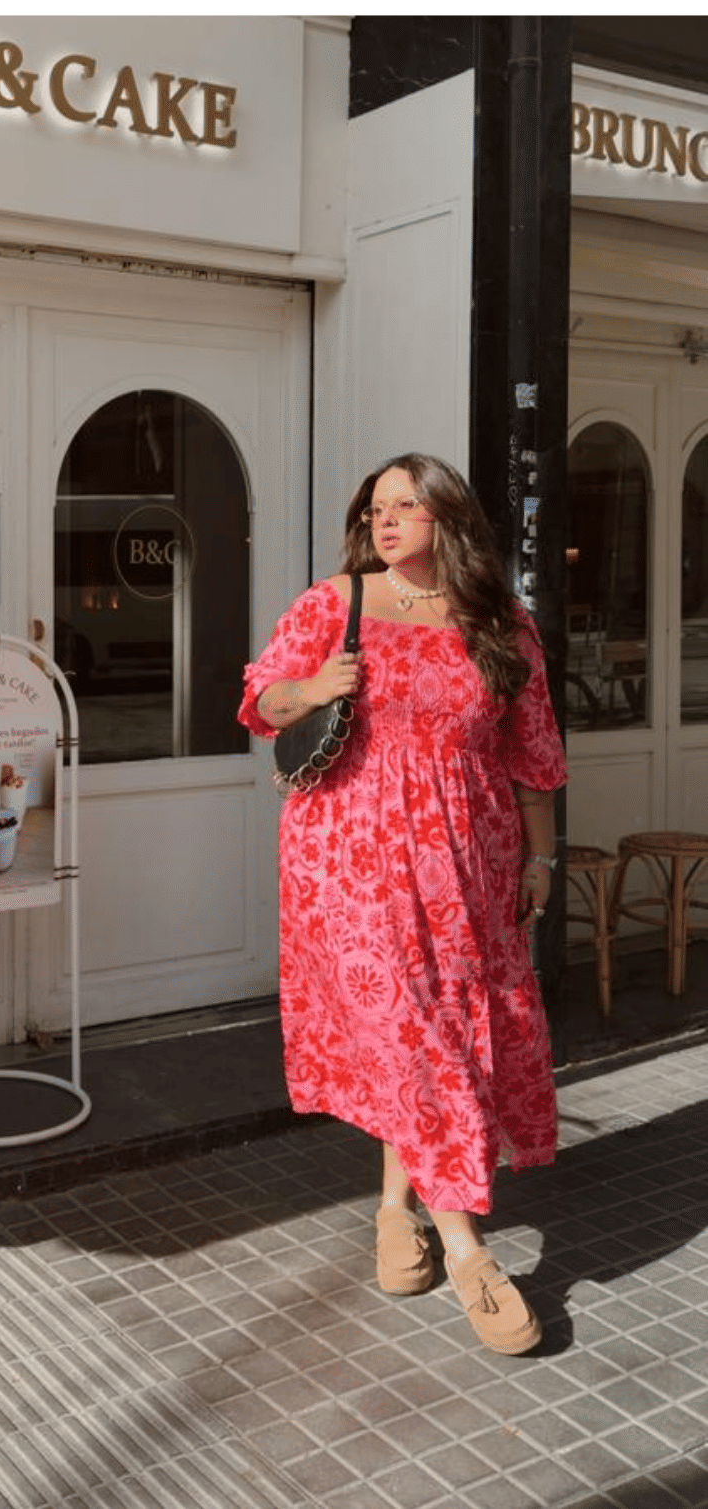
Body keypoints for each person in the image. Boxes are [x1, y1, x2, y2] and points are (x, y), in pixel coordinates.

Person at [238, 453, 566, 1356]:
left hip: (471, 861)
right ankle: (467, 1251)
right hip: (351, 861)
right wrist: (314, 687)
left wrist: (541, 855)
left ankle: (393, 1208)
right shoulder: (334, 603)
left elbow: (531, 751)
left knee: (435, 1033)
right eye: (375, 508)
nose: (384, 522)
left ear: (447, 519)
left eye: (405, 506)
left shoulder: (500, 621)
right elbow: (261, 699)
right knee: (413, 1030)